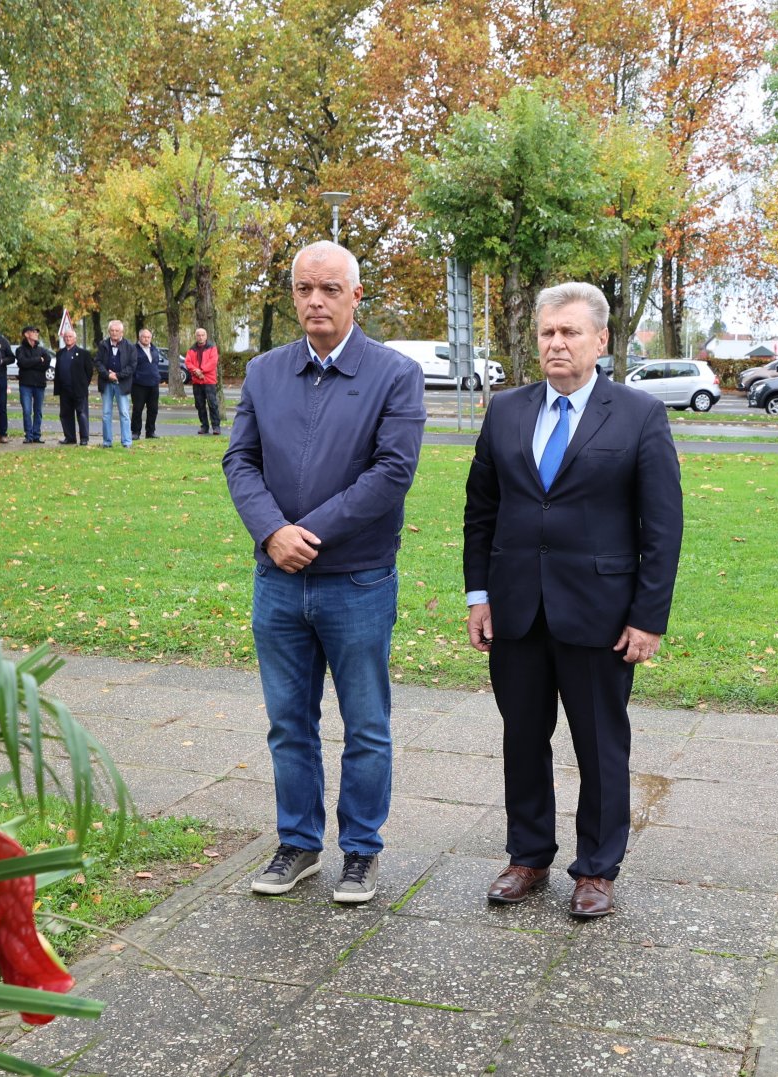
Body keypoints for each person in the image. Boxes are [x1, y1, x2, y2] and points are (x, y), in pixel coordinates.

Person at [462, 282, 682, 919]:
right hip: (516, 610)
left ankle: (596, 869)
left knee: (600, 745)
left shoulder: (639, 415)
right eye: (547, 333)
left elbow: (662, 529)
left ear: (601, 340)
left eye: (570, 333)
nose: (556, 344)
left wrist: (647, 617)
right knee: (522, 738)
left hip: (600, 616)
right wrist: (480, 594)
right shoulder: (505, 411)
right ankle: (528, 856)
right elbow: (482, 511)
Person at [223, 240, 427, 904]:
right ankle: (299, 843)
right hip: (277, 580)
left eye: (330, 289)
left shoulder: (394, 375)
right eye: (305, 289)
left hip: (357, 581)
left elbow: (392, 472)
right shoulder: (263, 373)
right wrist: (271, 532)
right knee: (289, 722)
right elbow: (240, 461)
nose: (316, 300)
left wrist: (309, 533)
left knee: (365, 722)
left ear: (355, 296)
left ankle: (361, 849)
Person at [95, 319, 136, 448]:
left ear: (122, 332)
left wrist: (117, 375)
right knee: (106, 414)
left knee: (124, 413)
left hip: (122, 384)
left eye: (117, 330)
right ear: (109, 331)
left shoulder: (130, 346)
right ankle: (107, 442)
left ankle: (127, 442)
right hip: (106, 383)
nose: (114, 333)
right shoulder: (103, 345)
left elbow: (132, 366)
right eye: (112, 330)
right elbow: (98, 362)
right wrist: (108, 375)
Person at [52, 328, 93, 445]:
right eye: (66, 337)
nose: (68, 339)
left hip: (79, 390)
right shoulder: (60, 353)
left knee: (81, 413)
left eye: (70, 337)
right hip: (64, 390)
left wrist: (83, 384)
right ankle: (70, 437)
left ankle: (84, 438)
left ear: (75, 338)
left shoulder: (83, 353)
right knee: (65, 414)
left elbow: (89, 371)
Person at [14, 326, 52, 443]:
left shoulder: (42, 350)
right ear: (26, 334)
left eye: (37, 332)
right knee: (26, 410)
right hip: (25, 384)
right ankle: (28, 436)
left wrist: (33, 363)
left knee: (38, 411)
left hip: (39, 384)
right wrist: (37, 360)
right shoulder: (20, 350)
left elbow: (46, 363)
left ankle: (36, 435)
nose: (36, 334)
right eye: (34, 332)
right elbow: (22, 363)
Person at [128, 327, 164, 441]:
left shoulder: (154, 349)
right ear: (139, 337)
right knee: (138, 409)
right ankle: (135, 432)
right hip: (139, 385)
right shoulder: (133, 349)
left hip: (153, 384)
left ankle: (150, 432)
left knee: (153, 409)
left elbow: (156, 363)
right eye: (144, 337)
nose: (146, 339)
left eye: (148, 337)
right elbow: (131, 366)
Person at [186, 326, 222, 435]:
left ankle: (216, 427)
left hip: (209, 381)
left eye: (202, 335)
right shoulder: (191, 349)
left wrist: (201, 371)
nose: (200, 337)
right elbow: (188, 363)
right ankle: (204, 426)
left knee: (213, 404)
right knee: (200, 405)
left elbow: (213, 362)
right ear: (195, 336)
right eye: (198, 335)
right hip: (197, 382)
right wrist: (196, 371)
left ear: (206, 336)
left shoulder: (212, 348)